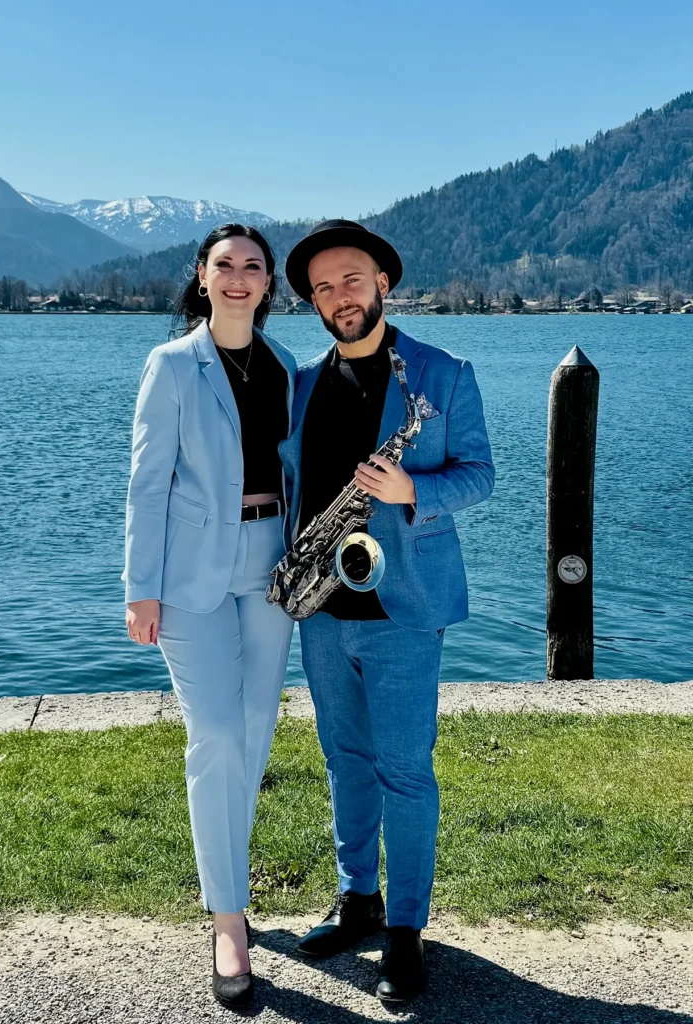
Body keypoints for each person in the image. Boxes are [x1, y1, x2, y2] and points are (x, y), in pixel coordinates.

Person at [279, 219, 495, 1004]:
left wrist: (413, 493)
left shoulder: (442, 374)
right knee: (345, 760)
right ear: (314, 302)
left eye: (354, 278)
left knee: (405, 769)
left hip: (405, 610)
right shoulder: (302, 381)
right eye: (325, 286)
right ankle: (357, 899)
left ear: (383, 286)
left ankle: (405, 927)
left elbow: (480, 476)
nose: (341, 295)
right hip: (324, 610)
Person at [122, 223, 296, 1011]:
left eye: (252, 267)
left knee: (255, 733)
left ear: (267, 284)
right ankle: (230, 920)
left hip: (272, 565)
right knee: (216, 734)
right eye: (223, 265)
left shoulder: (287, 365)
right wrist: (140, 588)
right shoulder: (170, 364)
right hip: (190, 576)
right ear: (201, 277)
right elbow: (146, 483)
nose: (238, 278)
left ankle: (230, 880)